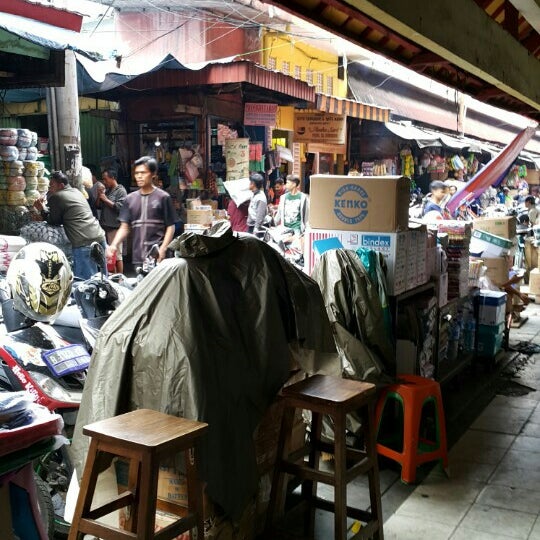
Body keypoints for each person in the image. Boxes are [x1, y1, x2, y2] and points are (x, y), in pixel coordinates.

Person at [33, 170, 106, 279]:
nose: (49, 188)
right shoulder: (76, 191)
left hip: (83, 241)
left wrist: (42, 209)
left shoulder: (57, 196)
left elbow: (54, 220)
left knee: (86, 283)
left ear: (61, 185)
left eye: (52, 185)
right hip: (99, 236)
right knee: (102, 278)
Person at [107, 156, 176, 266]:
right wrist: (114, 245)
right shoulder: (130, 199)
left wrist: (163, 248)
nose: (139, 176)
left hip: (158, 256)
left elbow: (170, 226)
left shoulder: (163, 197)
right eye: (137, 173)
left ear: (153, 174)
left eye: (143, 173)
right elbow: (125, 227)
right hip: (138, 256)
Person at [97, 168, 127, 273]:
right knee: (109, 256)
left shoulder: (121, 191)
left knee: (117, 255)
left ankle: (120, 278)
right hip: (105, 226)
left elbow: (120, 208)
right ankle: (113, 277)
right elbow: (98, 206)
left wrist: (105, 199)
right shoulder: (108, 191)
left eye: (106, 179)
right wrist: (100, 195)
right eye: (103, 180)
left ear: (113, 178)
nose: (104, 182)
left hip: (115, 228)